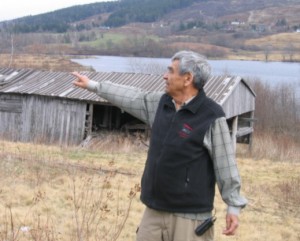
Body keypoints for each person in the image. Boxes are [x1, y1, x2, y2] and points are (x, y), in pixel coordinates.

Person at [72, 50, 247, 241]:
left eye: (171, 71)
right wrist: (93, 85)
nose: (165, 75)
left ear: (187, 78)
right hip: (154, 211)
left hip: (190, 217)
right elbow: (132, 97)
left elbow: (225, 164)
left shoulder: (211, 115)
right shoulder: (162, 104)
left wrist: (233, 206)